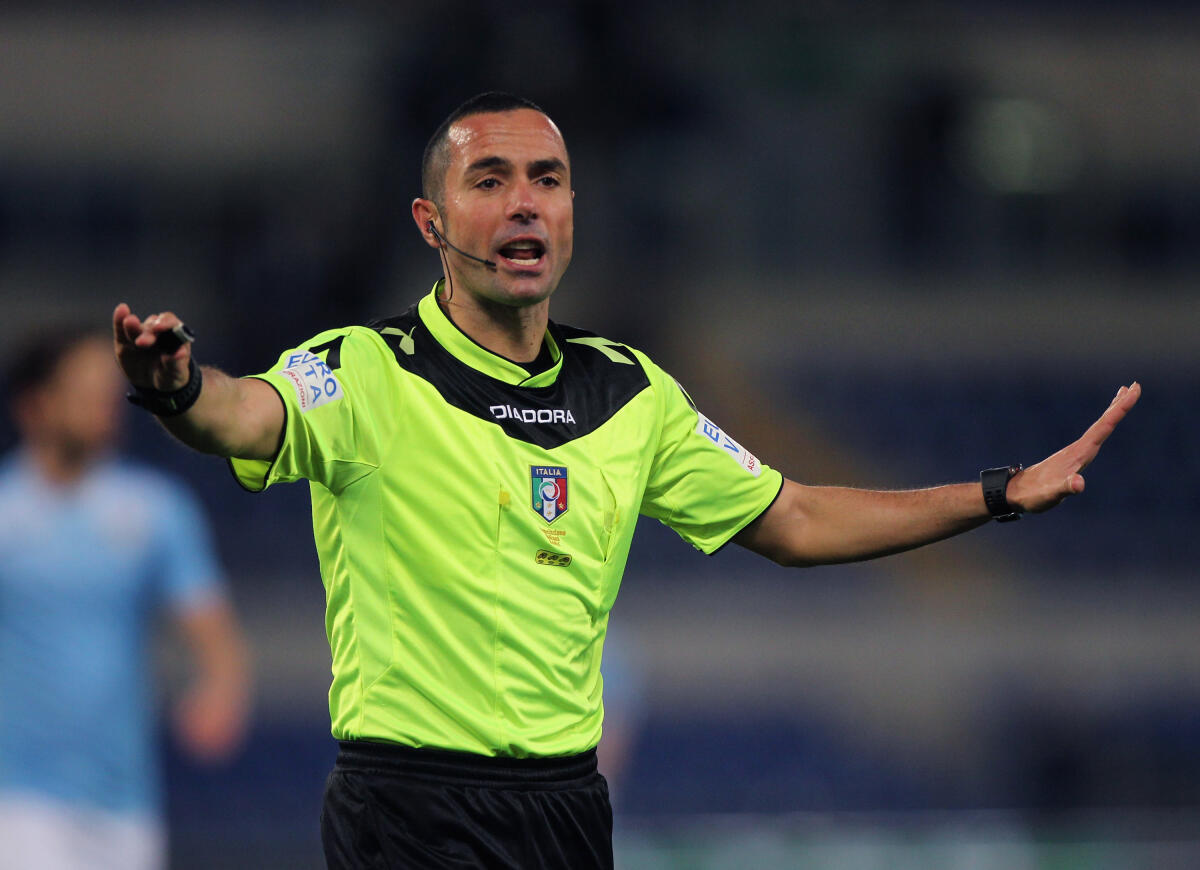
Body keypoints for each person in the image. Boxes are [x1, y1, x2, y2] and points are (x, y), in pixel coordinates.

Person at [111, 92, 1140, 870]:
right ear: (431, 223)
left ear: (571, 211)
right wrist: (177, 387)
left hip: (567, 810)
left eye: (548, 180)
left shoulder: (630, 391)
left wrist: (997, 493)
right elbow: (244, 413)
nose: (525, 203)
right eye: (492, 179)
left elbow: (796, 516)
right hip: (411, 805)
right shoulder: (367, 369)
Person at [0, 327, 251, 870]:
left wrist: (220, 689)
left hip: (125, 804)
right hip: (18, 799)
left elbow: (211, 627)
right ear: (37, 405)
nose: (104, 407)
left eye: (108, 393)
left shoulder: (156, 510)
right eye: (84, 392)